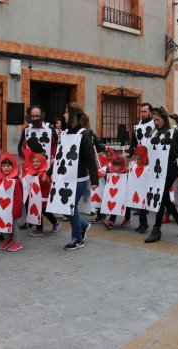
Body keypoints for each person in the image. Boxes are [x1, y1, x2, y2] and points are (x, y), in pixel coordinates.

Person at [47, 103, 99, 250]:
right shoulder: (64, 134)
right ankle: (83, 225)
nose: (64, 115)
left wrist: (94, 180)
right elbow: (60, 157)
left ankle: (77, 239)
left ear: (74, 116)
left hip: (79, 179)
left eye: (66, 112)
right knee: (65, 208)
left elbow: (90, 159)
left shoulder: (84, 134)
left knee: (69, 209)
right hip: (64, 178)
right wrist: (49, 171)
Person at [144, 107, 178, 243]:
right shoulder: (155, 133)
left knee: (161, 196)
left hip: (171, 169)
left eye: (158, 120)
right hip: (157, 170)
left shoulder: (177, 132)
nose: (156, 122)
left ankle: (156, 229)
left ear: (164, 117)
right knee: (163, 198)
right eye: (154, 120)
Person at [0, 153, 24, 252]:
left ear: (13, 167)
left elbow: (18, 197)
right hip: (0, 208)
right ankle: (7, 239)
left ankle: (17, 242)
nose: (5, 168)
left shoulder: (15, 181)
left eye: (8, 166)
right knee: (0, 224)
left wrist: (16, 211)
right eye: (3, 166)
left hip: (12, 209)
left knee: (13, 225)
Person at [26, 152, 61, 236]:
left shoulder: (44, 173)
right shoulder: (33, 173)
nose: (35, 163)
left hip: (43, 197)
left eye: (37, 161)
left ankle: (40, 229)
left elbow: (45, 181)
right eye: (33, 162)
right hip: (35, 197)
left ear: (42, 163)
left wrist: (42, 178)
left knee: (43, 211)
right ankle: (54, 223)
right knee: (41, 212)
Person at [102, 154, 132, 229]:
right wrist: (105, 174)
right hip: (115, 194)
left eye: (118, 166)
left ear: (121, 166)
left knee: (125, 206)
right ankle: (111, 221)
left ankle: (127, 219)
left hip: (124, 193)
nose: (116, 168)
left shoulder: (125, 174)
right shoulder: (112, 173)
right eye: (115, 166)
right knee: (114, 203)